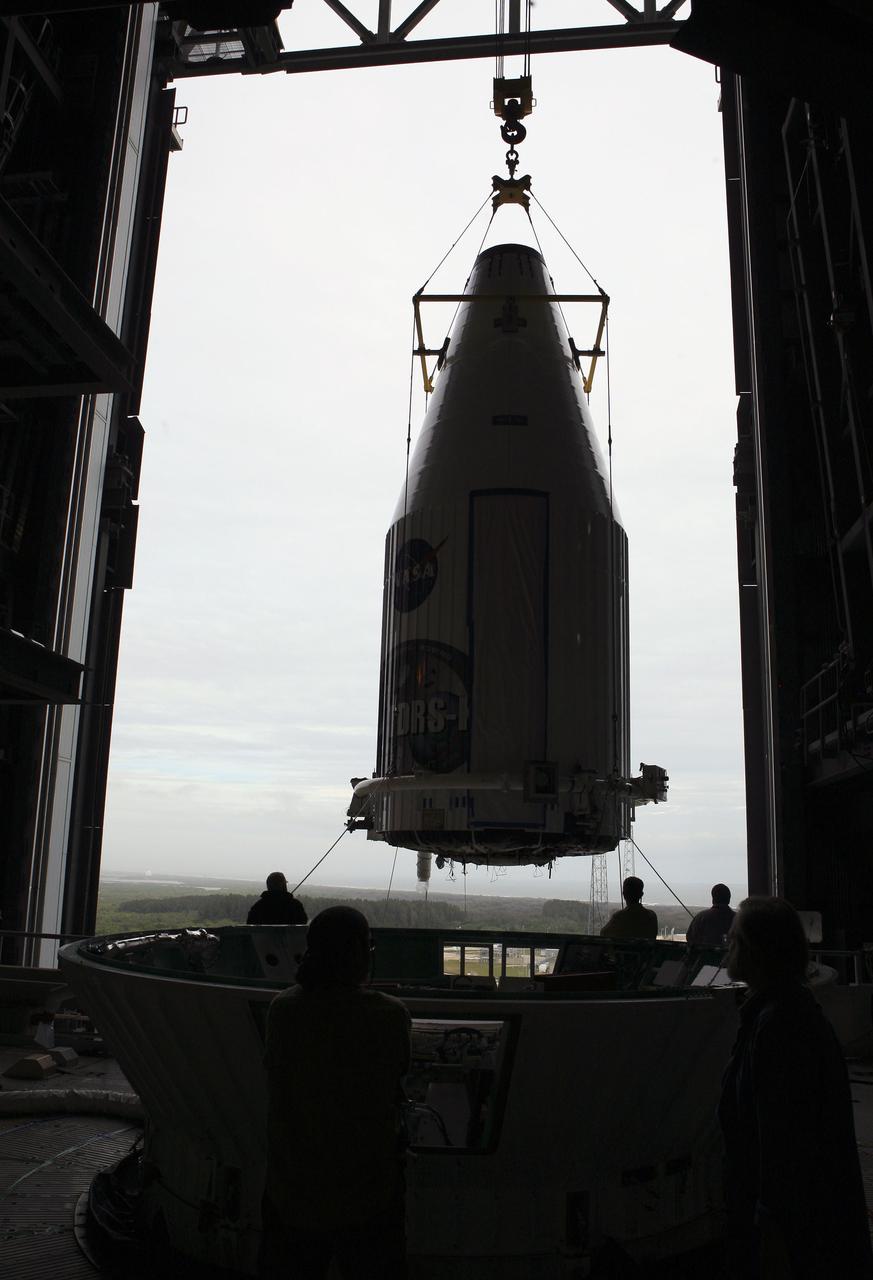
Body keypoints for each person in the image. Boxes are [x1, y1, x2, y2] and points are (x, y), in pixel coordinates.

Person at [719, 897, 873, 1279]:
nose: (728, 946)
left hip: (795, 1235)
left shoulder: (778, 1026)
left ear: (756, 950)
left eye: (735, 940)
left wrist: (771, 1229)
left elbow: (783, 1143)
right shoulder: (787, 1012)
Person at [260, 906, 411, 1280]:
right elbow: (396, 1079)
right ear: (360, 953)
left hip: (292, 1189)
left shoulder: (282, 1010)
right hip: (367, 1194)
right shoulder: (390, 1015)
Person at [600, 876, 658, 940]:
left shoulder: (619, 917)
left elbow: (603, 933)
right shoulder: (651, 916)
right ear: (641, 895)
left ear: (624, 894)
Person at [686, 882, 735, 947]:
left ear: (713, 899)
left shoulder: (700, 917)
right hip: (732, 956)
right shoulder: (738, 919)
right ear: (729, 899)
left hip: (705, 956)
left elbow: (690, 938)